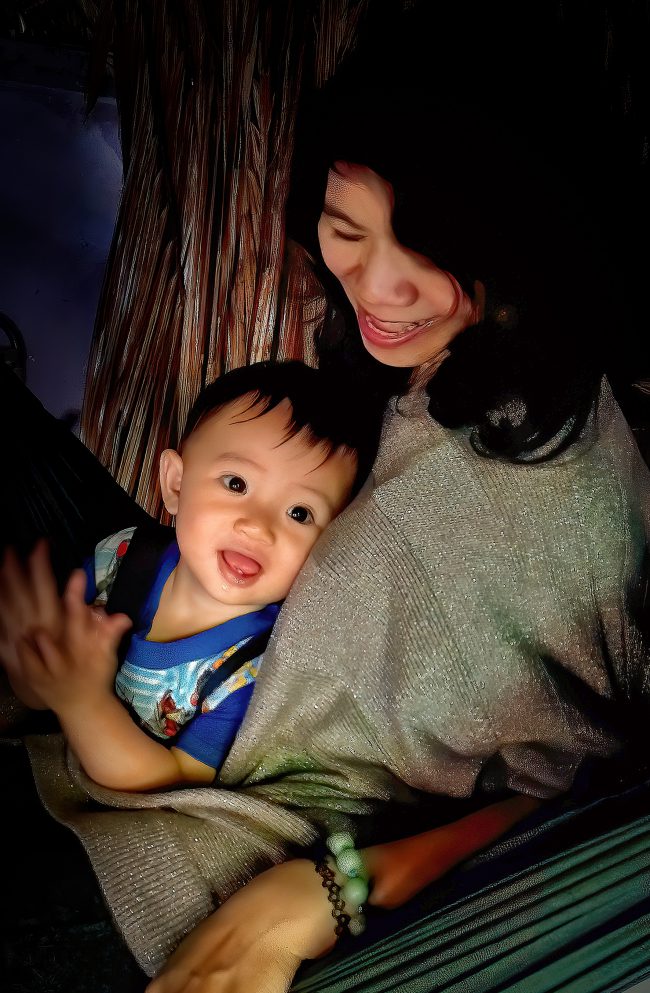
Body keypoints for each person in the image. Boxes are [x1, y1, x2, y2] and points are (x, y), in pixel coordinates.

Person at [1, 81, 648, 993]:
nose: (378, 289)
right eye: (347, 230)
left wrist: (324, 892)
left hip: (225, 867)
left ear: (526, 236)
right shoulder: (404, 382)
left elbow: (601, 800)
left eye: (431, 247)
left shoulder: (567, 483)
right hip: (150, 771)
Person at [0, 361, 368, 791]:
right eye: (236, 484)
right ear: (176, 484)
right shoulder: (120, 558)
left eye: (300, 513)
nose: (258, 526)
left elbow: (174, 784)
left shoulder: (255, 672)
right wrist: (35, 664)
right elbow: (40, 688)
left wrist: (83, 702)